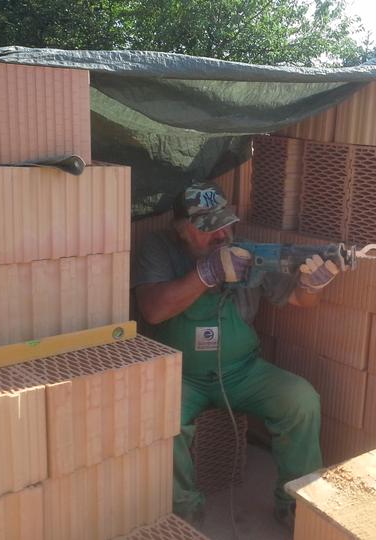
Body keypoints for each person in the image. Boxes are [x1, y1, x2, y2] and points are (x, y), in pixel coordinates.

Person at [133, 181, 345, 529]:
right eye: (208, 228)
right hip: (180, 374)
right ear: (181, 230)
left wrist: (311, 285)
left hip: (242, 370)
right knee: (158, 415)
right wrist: (207, 273)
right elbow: (153, 310)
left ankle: (295, 504)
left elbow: (299, 301)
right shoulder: (158, 248)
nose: (221, 235)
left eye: (226, 225)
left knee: (301, 400)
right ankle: (183, 511)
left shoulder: (247, 252)